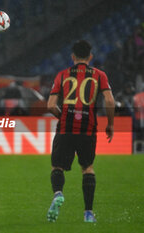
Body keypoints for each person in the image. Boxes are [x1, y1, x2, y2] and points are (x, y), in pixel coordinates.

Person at [46, 40, 115, 223]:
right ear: (90, 57)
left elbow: (51, 105)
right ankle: (88, 214)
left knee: (57, 166)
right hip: (88, 129)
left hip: (65, 129)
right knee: (87, 168)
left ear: (72, 57)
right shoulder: (99, 75)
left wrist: (63, 117)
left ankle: (58, 193)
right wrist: (110, 124)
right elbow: (109, 101)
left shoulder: (62, 75)